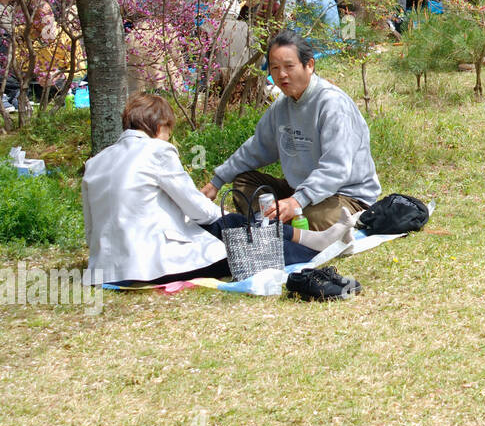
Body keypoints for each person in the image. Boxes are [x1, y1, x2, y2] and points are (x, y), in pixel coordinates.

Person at [82, 94, 349, 285]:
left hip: (105, 267)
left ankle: (313, 239)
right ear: (158, 126)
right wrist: (227, 219)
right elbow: (199, 210)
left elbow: (91, 227)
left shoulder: (95, 162)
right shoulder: (156, 151)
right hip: (150, 265)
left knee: (232, 224)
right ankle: (315, 247)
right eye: (168, 130)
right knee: (238, 237)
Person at [200, 30, 381, 230]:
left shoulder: (332, 104)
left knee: (314, 217)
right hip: (301, 191)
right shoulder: (282, 106)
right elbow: (256, 147)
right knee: (244, 183)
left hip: (345, 196)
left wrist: (297, 201)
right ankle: (278, 223)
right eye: (275, 68)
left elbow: (336, 169)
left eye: (289, 66)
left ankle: (278, 222)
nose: (281, 74)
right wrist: (216, 182)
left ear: (309, 65)